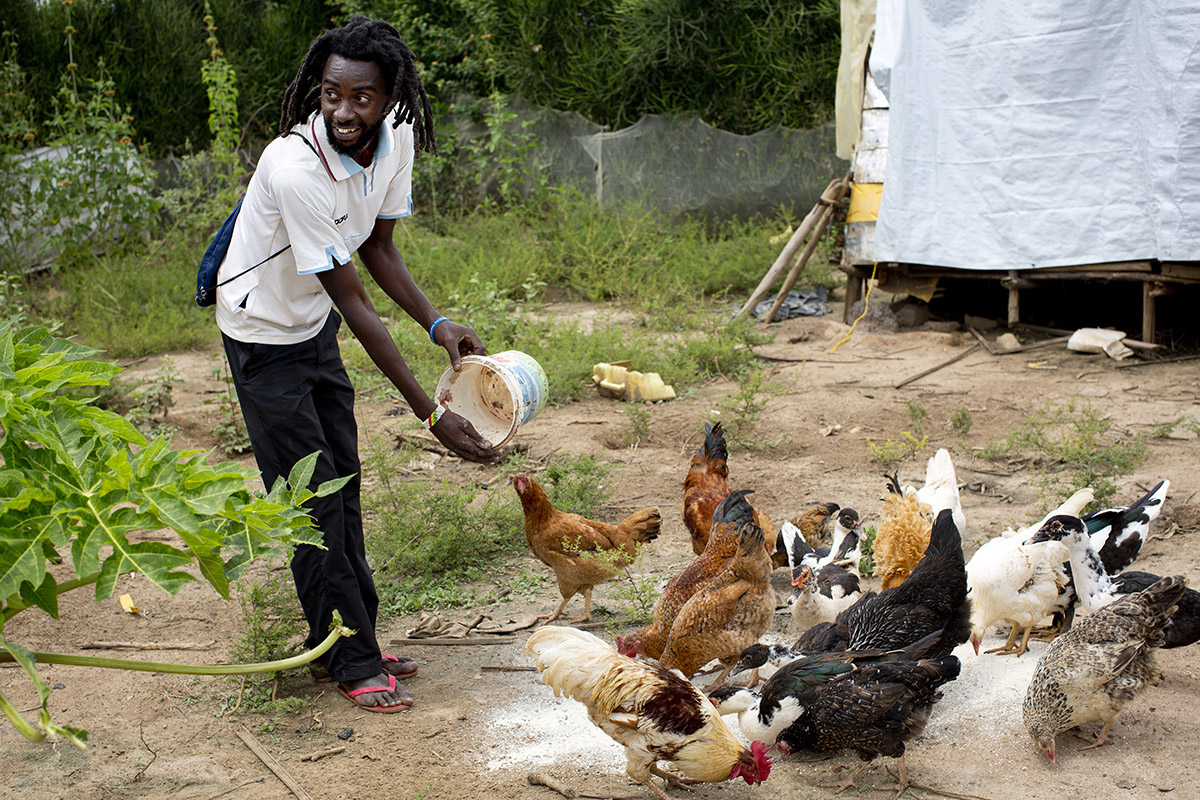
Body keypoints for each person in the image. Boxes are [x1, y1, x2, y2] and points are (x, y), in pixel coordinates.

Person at [214, 16, 500, 713]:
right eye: (331, 94)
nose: (343, 111)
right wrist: (431, 413)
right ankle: (354, 660)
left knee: (341, 484)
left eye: (361, 98)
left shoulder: (396, 136)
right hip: (260, 334)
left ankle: (349, 639)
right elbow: (355, 303)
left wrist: (439, 324)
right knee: (314, 501)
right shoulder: (295, 166)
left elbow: (379, 250)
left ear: (389, 95)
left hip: (307, 323)